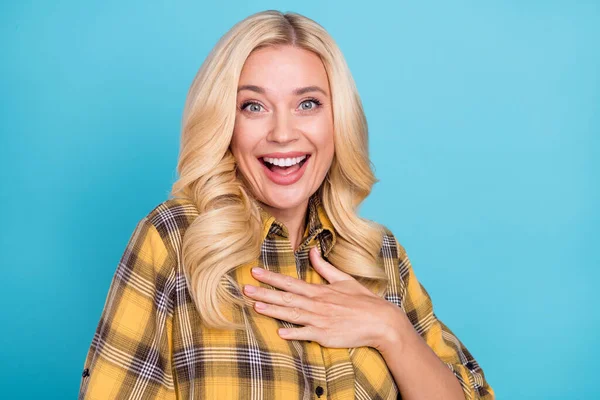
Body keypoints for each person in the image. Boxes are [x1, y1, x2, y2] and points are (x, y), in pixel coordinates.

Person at [78, 10, 494, 400]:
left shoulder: (379, 255)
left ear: (338, 120)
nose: (282, 133)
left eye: (307, 104)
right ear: (225, 122)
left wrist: (392, 330)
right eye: (253, 106)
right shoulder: (174, 241)